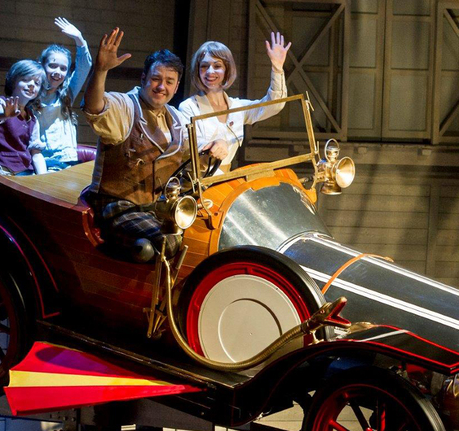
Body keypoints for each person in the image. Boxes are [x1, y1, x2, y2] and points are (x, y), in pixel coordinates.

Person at [82, 28, 225, 262]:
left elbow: (194, 161)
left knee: (206, 236)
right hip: (118, 207)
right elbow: (95, 107)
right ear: (143, 79)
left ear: (176, 86)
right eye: (156, 79)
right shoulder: (125, 106)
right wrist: (100, 71)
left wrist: (218, 146)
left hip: (156, 208)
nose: (161, 87)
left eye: (169, 81)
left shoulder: (178, 119)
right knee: (168, 241)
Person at [178, 32, 291, 173]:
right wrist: (215, 145)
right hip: (198, 185)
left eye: (217, 66)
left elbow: (274, 105)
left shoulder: (237, 108)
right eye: (204, 66)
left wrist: (277, 68)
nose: (210, 72)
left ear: (227, 70)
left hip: (225, 183)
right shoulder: (188, 107)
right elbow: (191, 149)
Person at [35, 17, 93, 171]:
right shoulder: (31, 93)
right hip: (40, 161)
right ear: (42, 66)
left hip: (67, 161)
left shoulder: (67, 92)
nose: (57, 72)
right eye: (52, 66)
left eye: (62, 68)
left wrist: (79, 39)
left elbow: (84, 67)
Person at [0, 60, 47, 176]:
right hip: (2, 171)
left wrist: (44, 179)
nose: (31, 85)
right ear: (13, 81)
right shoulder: (0, 103)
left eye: (37, 83)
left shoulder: (32, 118)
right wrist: (5, 114)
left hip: (26, 172)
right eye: (26, 80)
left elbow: (35, 153)